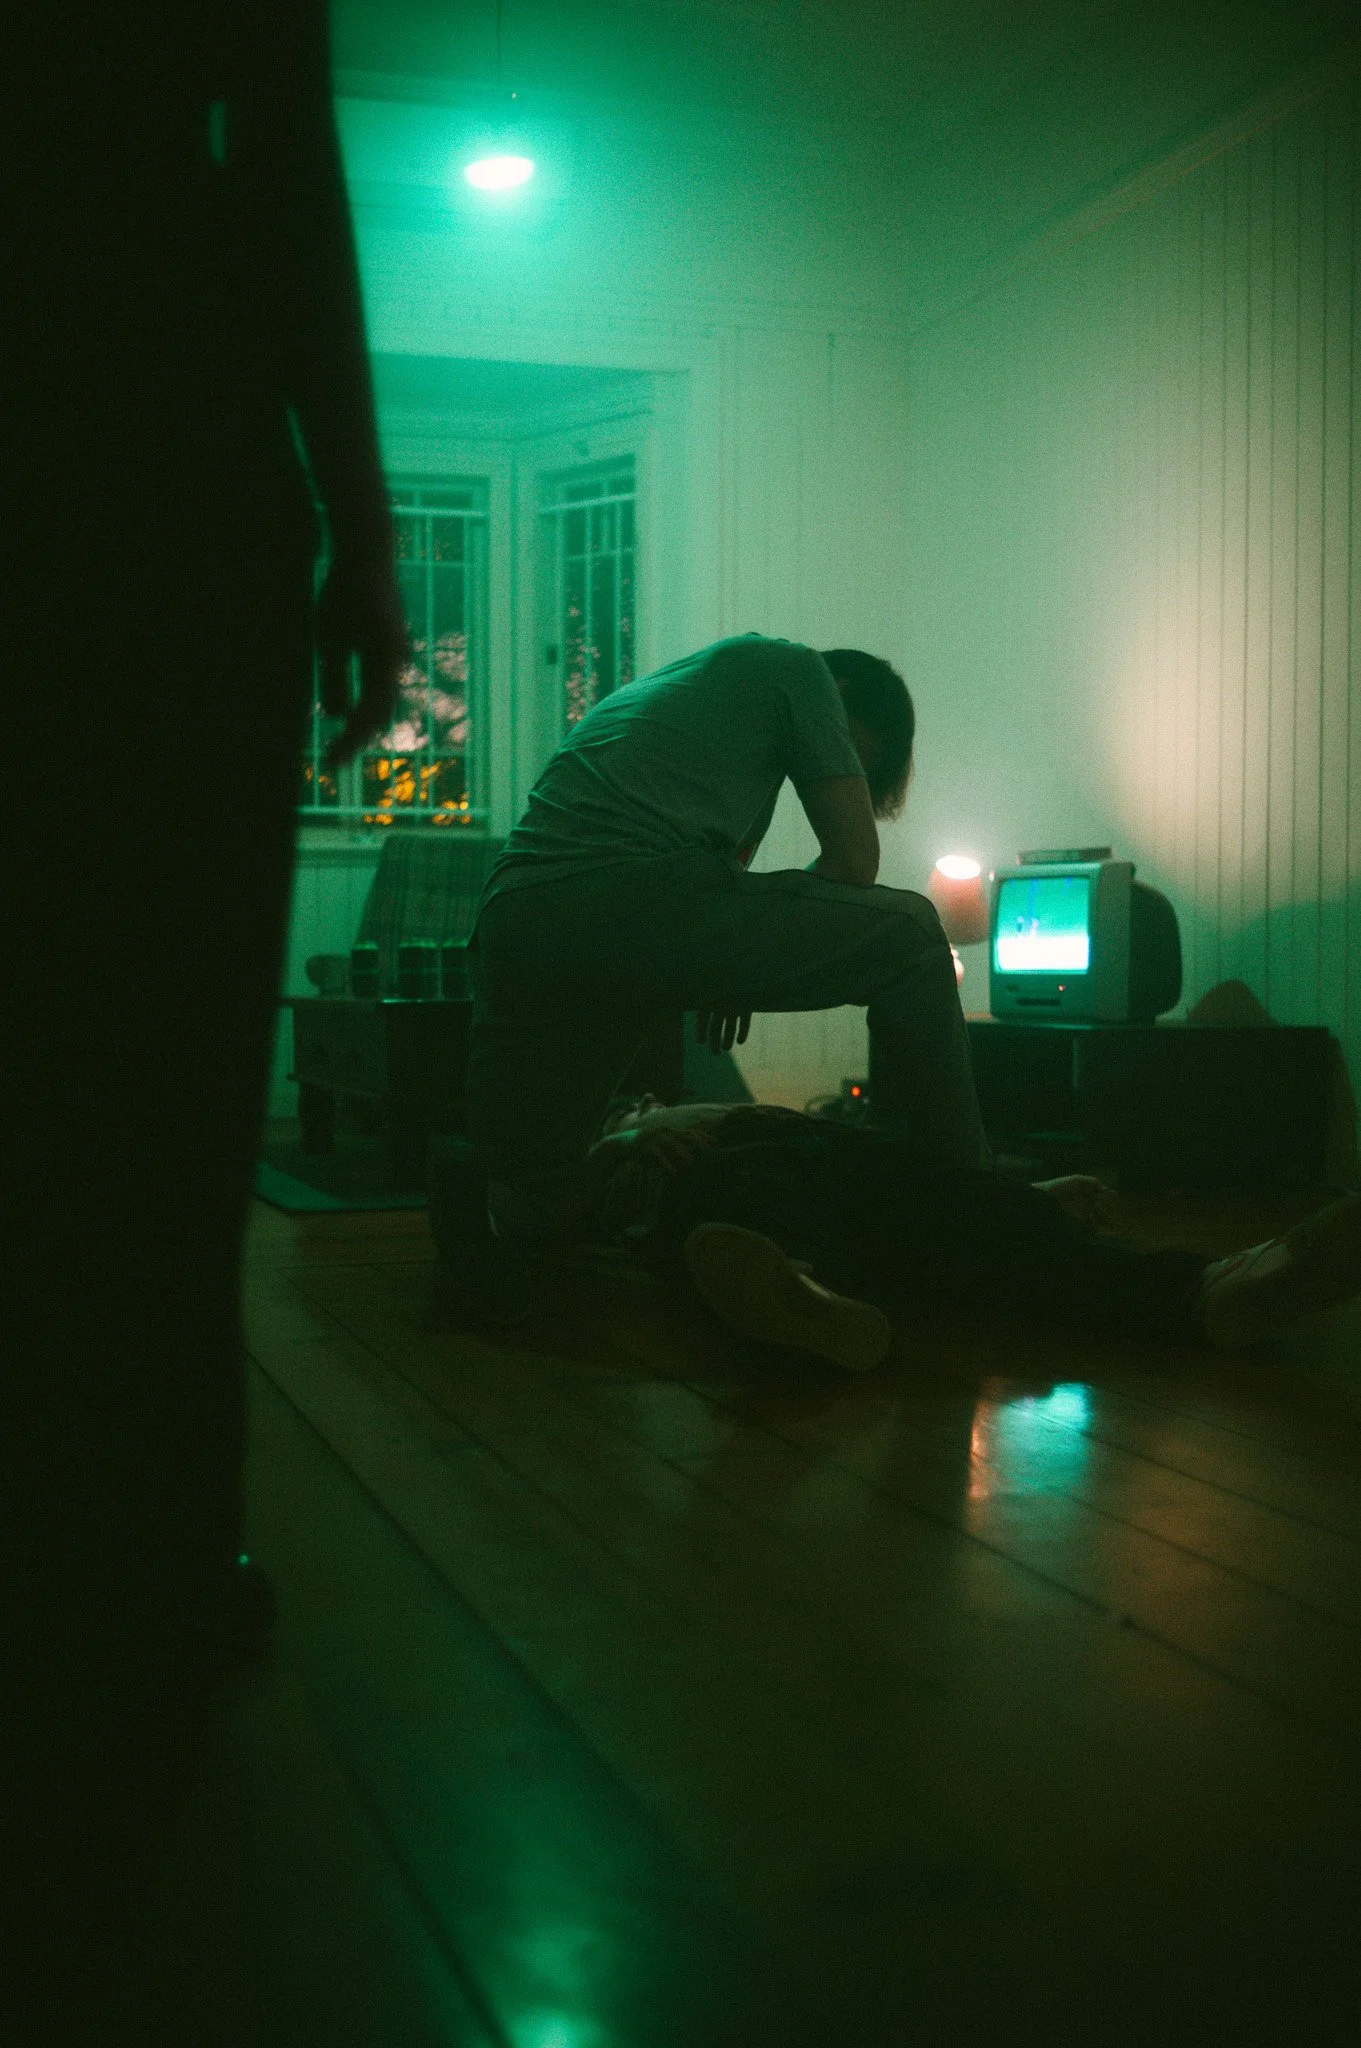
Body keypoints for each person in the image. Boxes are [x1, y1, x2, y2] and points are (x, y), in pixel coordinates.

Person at [7, 4, 406, 2033]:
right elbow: (289, 176)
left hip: (127, 449)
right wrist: (366, 532)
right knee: (168, 1106)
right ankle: (160, 1574)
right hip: (173, 474)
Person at [447, 634, 987, 1314]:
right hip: (629, 898)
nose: (834, 767)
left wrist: (729, 971)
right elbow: (854, 864)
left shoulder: (677, 702)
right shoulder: (799, 670)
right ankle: (972, 1204)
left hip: (516, 919)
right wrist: (730, 960)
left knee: (532, 1199)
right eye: (849, 755)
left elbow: (726, 892)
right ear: (842, 694)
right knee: (910, 933)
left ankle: (519, 1218)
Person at [579, 1097, 1361, 1366]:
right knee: (741, 1198)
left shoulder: (684, 1099)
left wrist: (1017, 1194)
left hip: (805, 1144)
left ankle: (1203, 1291)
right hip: (709, 1170)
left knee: (975, 1223)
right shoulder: (621, 1140)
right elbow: (555, 1196)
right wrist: (629, 1139)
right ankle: (802, 1291)